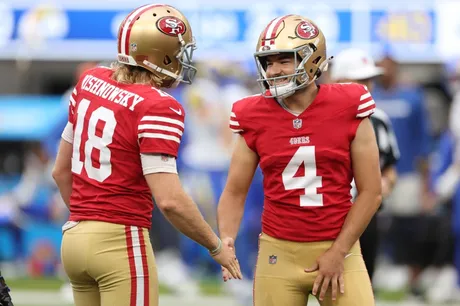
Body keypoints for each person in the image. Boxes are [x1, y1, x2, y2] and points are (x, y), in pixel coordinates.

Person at [52, 4, 241, 306]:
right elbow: (169, 201)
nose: (182, 60)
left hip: (74, 238)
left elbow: (60, 172)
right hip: (120, 241)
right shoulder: (158, 105)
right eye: (178, 53)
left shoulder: (90, 81)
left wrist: (88, 220)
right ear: (160, 55)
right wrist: (216, 246)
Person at [217, 14, 382, 306]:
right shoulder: (252, 113)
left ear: (312, 59)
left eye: (284, 60)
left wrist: (338, 251)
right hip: (278, 253)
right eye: (268, 62)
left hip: (338, 248)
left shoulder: (349, 102)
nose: (274, 70)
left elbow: (371, 191)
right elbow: (234, 190)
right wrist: (226, 237)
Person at [330, 48, 400, 281]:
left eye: (369, 79)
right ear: (338, 81)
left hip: (365, 215)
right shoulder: (320, 120)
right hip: (325, 214)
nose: (367, 86)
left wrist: (384, 183)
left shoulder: (378, 119)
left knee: (362, 282)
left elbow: (389, 167)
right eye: (359, 80)